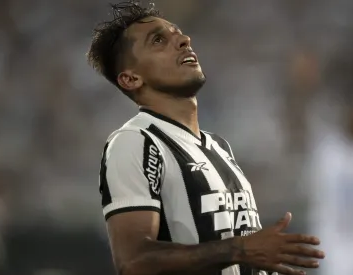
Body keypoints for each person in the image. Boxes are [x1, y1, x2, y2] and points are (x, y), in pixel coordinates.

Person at [86, 2, 325, 275]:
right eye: (159, 40)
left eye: (178, 33)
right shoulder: (136, 141)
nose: (183, 40)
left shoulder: (219, 147)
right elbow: (133, 262)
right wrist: (241, 249)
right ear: (130, 79)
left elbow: (243, 251)